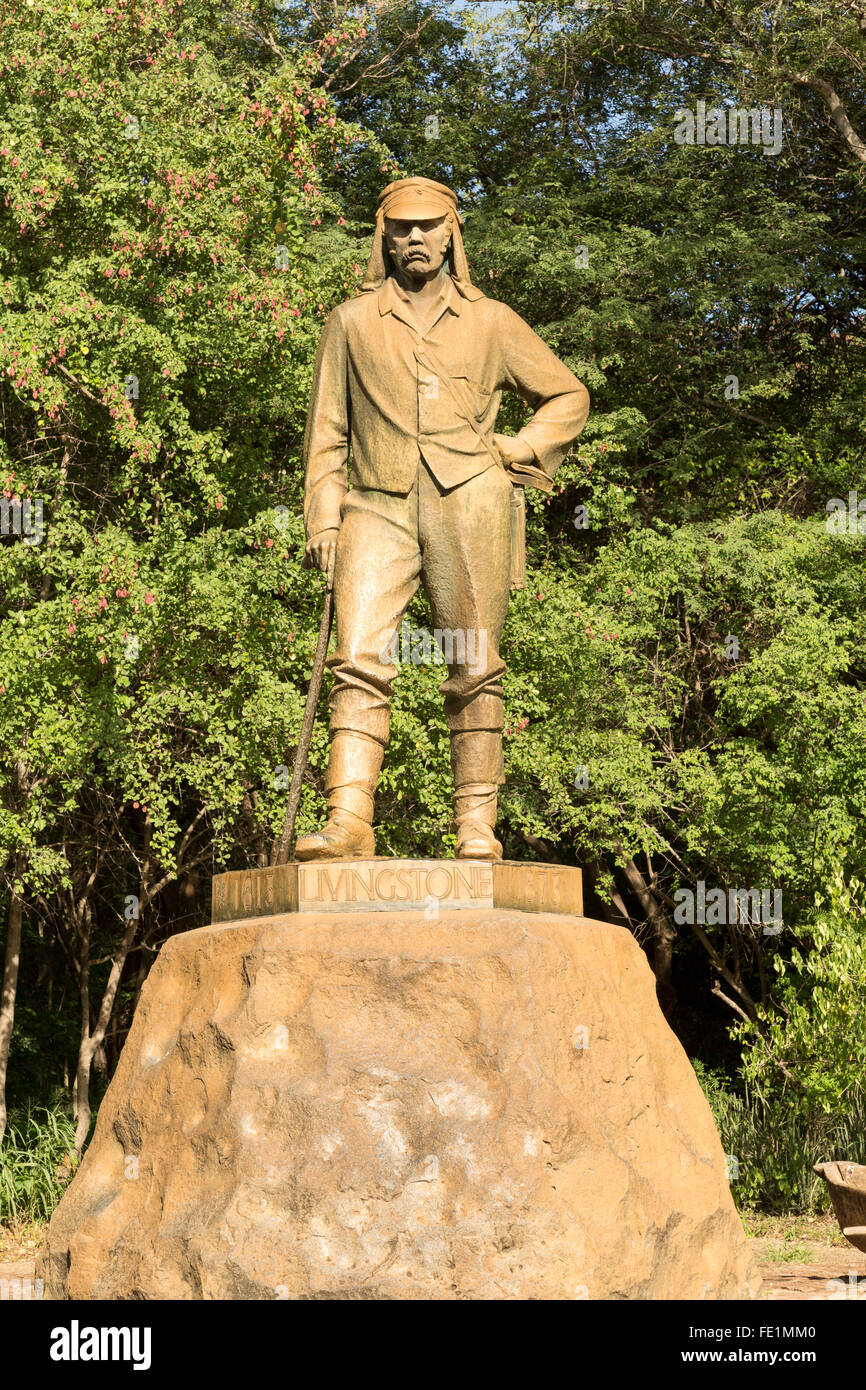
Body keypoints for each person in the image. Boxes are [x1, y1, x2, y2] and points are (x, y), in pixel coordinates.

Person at [296, 176, 589, 862]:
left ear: (453, 231)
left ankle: (476, 828)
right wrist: (322, 520)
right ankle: (348, 822)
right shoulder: (350, 321)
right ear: (384, 236)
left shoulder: (491, 320)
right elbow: (326, 432)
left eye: (428, 225)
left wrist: (518, 448)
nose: (415, 238)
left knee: (475, 664)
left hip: (470, 501)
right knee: (358, 660)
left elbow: (567, 394)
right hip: (374, 504)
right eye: (401, 227)